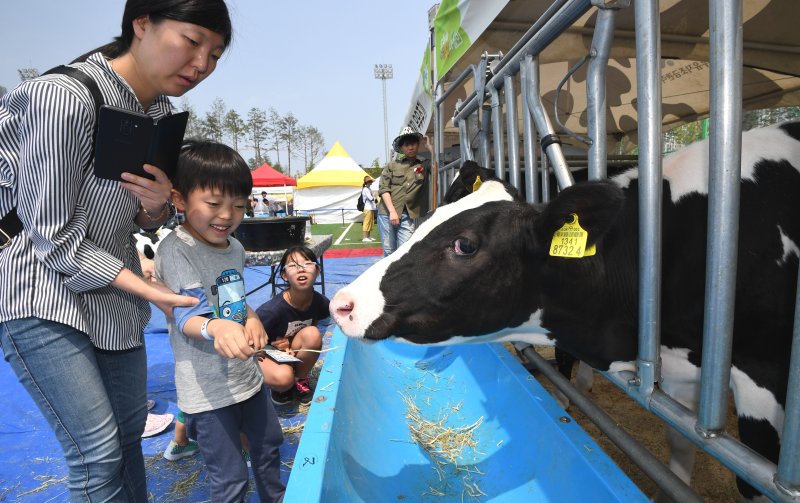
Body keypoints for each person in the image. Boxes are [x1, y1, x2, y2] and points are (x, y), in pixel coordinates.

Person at [0, 2, 232, 500]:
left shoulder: (160, 115)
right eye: (192, 42)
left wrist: (154, 209)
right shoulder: (62, 97)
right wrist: (154, 291)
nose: (201, 65)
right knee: (97, 456)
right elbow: (54, 240)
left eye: (214, 54)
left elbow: (142, 219)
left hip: (112, 295)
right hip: (38, 292)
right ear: (142, 23)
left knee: (127, 440)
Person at [156, 140, 284, 502]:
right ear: (180, 200)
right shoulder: (176, 249)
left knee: (269, 449)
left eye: (239, 206)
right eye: (214, 204)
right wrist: (217, 327)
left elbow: (233, 300)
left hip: (247, 379)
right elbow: (187, 313)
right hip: (207, 393)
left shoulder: (235, 248)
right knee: (229, 479)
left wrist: (252, 317)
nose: (228, 215)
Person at [256, 246, 329, 405]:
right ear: (284, 275)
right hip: (264, 352)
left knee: (312, 334)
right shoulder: (271, 311)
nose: (301, 269)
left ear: (317, 271)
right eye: (293, 265)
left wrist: (292, 341)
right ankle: (280, 387)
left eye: (307, 263)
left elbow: (315, 324)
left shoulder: (321, 303)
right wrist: (273, 348)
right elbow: (250, 343)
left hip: (291, 350)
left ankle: (299, 379)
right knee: (283, 378)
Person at [378, 126, 430, 255]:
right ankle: (390, 276)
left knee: (404, 252)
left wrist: (430, 147)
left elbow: (438, 164)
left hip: (408, 215)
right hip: (386, 213)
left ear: (418, 145)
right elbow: (384, 189)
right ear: (401, 148)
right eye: (406, 145)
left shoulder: (424, 164)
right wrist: (392, 212)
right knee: (389, 252)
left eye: (413, 144)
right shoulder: (392, 165)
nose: (410, 147)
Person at [361, 175, 377, 242]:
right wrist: (375, 197)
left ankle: (368, 236)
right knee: (366, 222)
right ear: (367, 182)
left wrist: (374, 197)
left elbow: (372, 197)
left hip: (371, 208)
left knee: (371, 222)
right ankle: (364, 237)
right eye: (370, 182)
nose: (371, 183)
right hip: (367, 208)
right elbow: (370, 198)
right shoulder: (365, 189)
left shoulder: (369, 189)